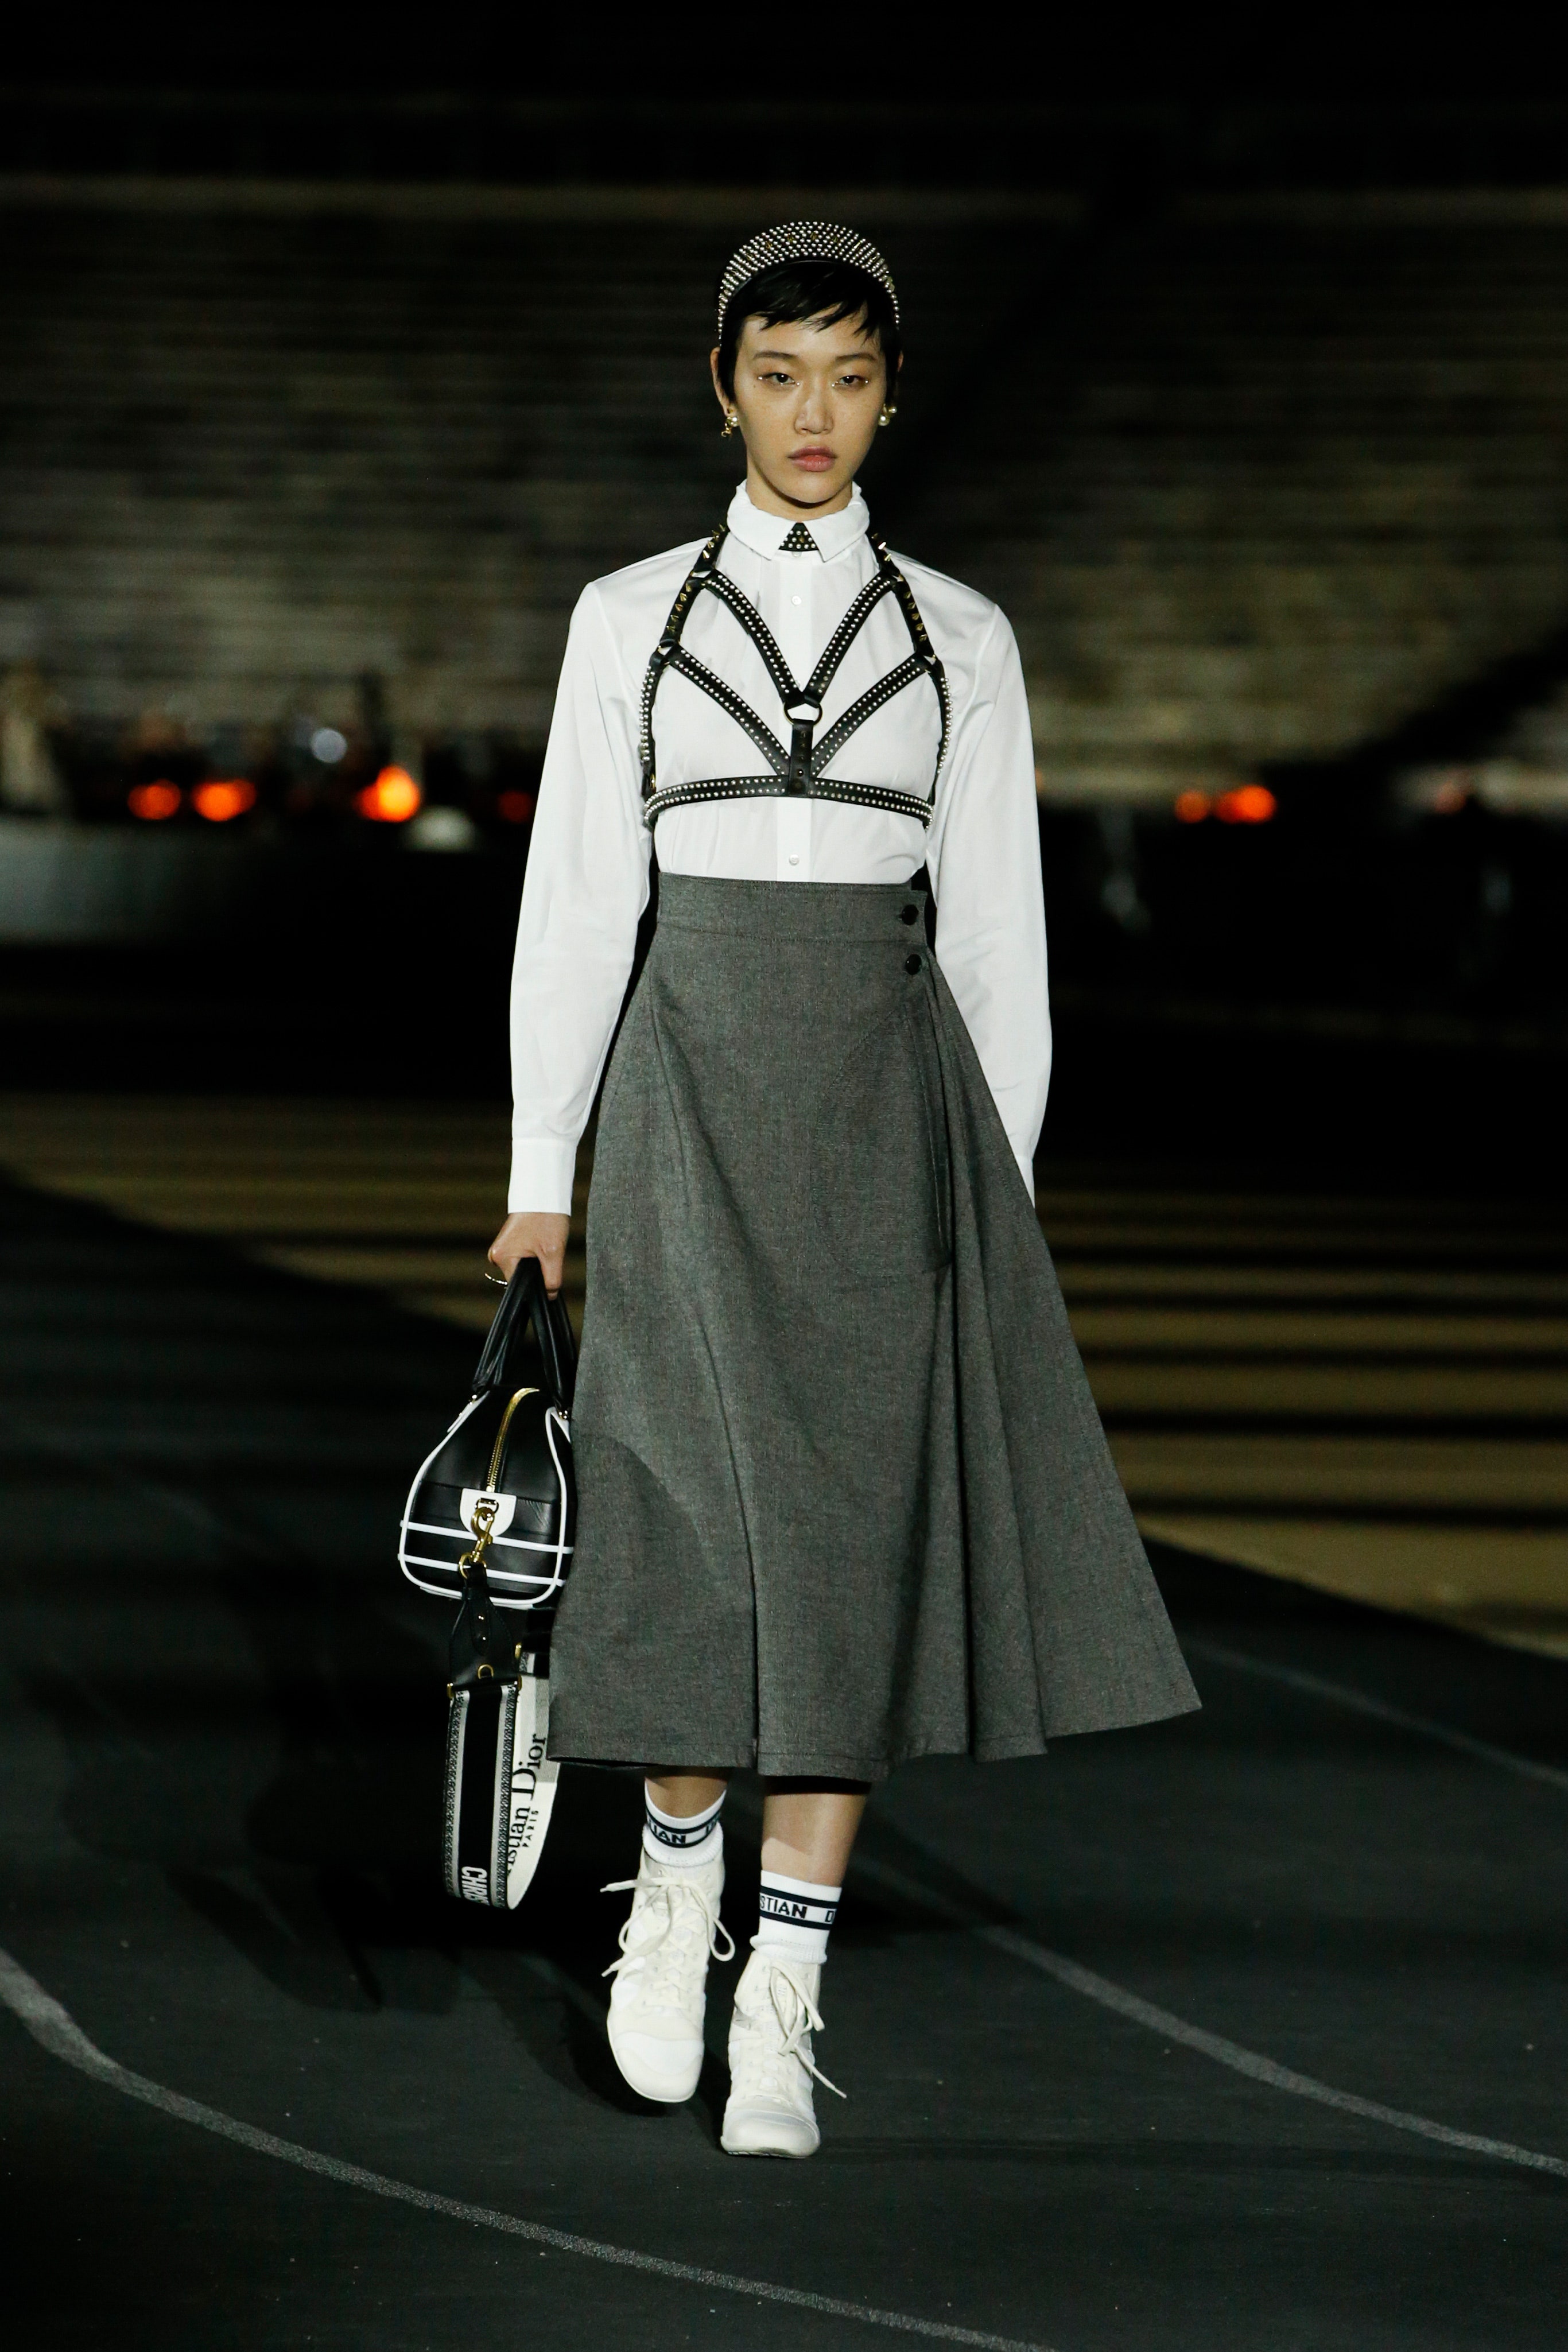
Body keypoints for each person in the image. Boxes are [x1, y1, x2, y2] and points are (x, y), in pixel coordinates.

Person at [488, 221, 1198, 2160]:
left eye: (850, 378)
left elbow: (994, 942)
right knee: (678, 1519)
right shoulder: (625, 615)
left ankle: (782, 1996)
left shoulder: (963, 634)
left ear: (889, 396)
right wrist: (543, 1168)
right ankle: (675, 1895)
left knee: (851, 1547)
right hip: (684, 1094)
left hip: (890, 1123)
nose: (814, 414)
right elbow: (578, 904)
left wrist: (1000, 1195)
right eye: (779, 374)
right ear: (723, 388)